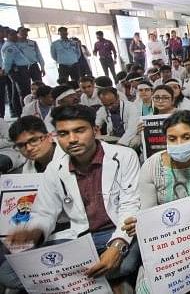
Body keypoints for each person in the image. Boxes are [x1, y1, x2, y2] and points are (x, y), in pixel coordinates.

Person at [0, 105, 141, 293]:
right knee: (7, 273)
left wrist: (117, 246)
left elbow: (130, 206)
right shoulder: (55, 169)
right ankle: (98, 281)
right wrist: (35, 232)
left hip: (113, 231)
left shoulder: (124, 156)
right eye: (64, 134)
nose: (72, 139)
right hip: (81, 237)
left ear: (95, 130)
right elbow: (45, 212)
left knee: (128, 262)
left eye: (79, 130)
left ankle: (71, 281)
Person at [125, 110, 190, 292]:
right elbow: (148, 213)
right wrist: (141, 224)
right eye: (172, 138)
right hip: (163, 244)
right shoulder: (151, 166)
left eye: (186, 137)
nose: (179, 144)